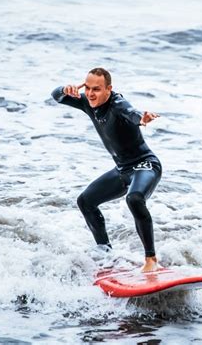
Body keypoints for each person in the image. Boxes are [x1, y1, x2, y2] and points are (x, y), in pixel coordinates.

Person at [51, 68, 162, 272]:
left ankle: (151, 260)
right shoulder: (88, 102)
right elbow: (56, 96)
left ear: (109, 89)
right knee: (85, 201)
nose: (92, 94)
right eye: (88, 88)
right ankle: (106, 255)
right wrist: (65, 89)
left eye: (97, 89)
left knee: (135, 199)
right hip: (122, 169)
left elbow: (132, 113)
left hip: (145, 165)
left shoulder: (117, 104)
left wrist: (142, 118)